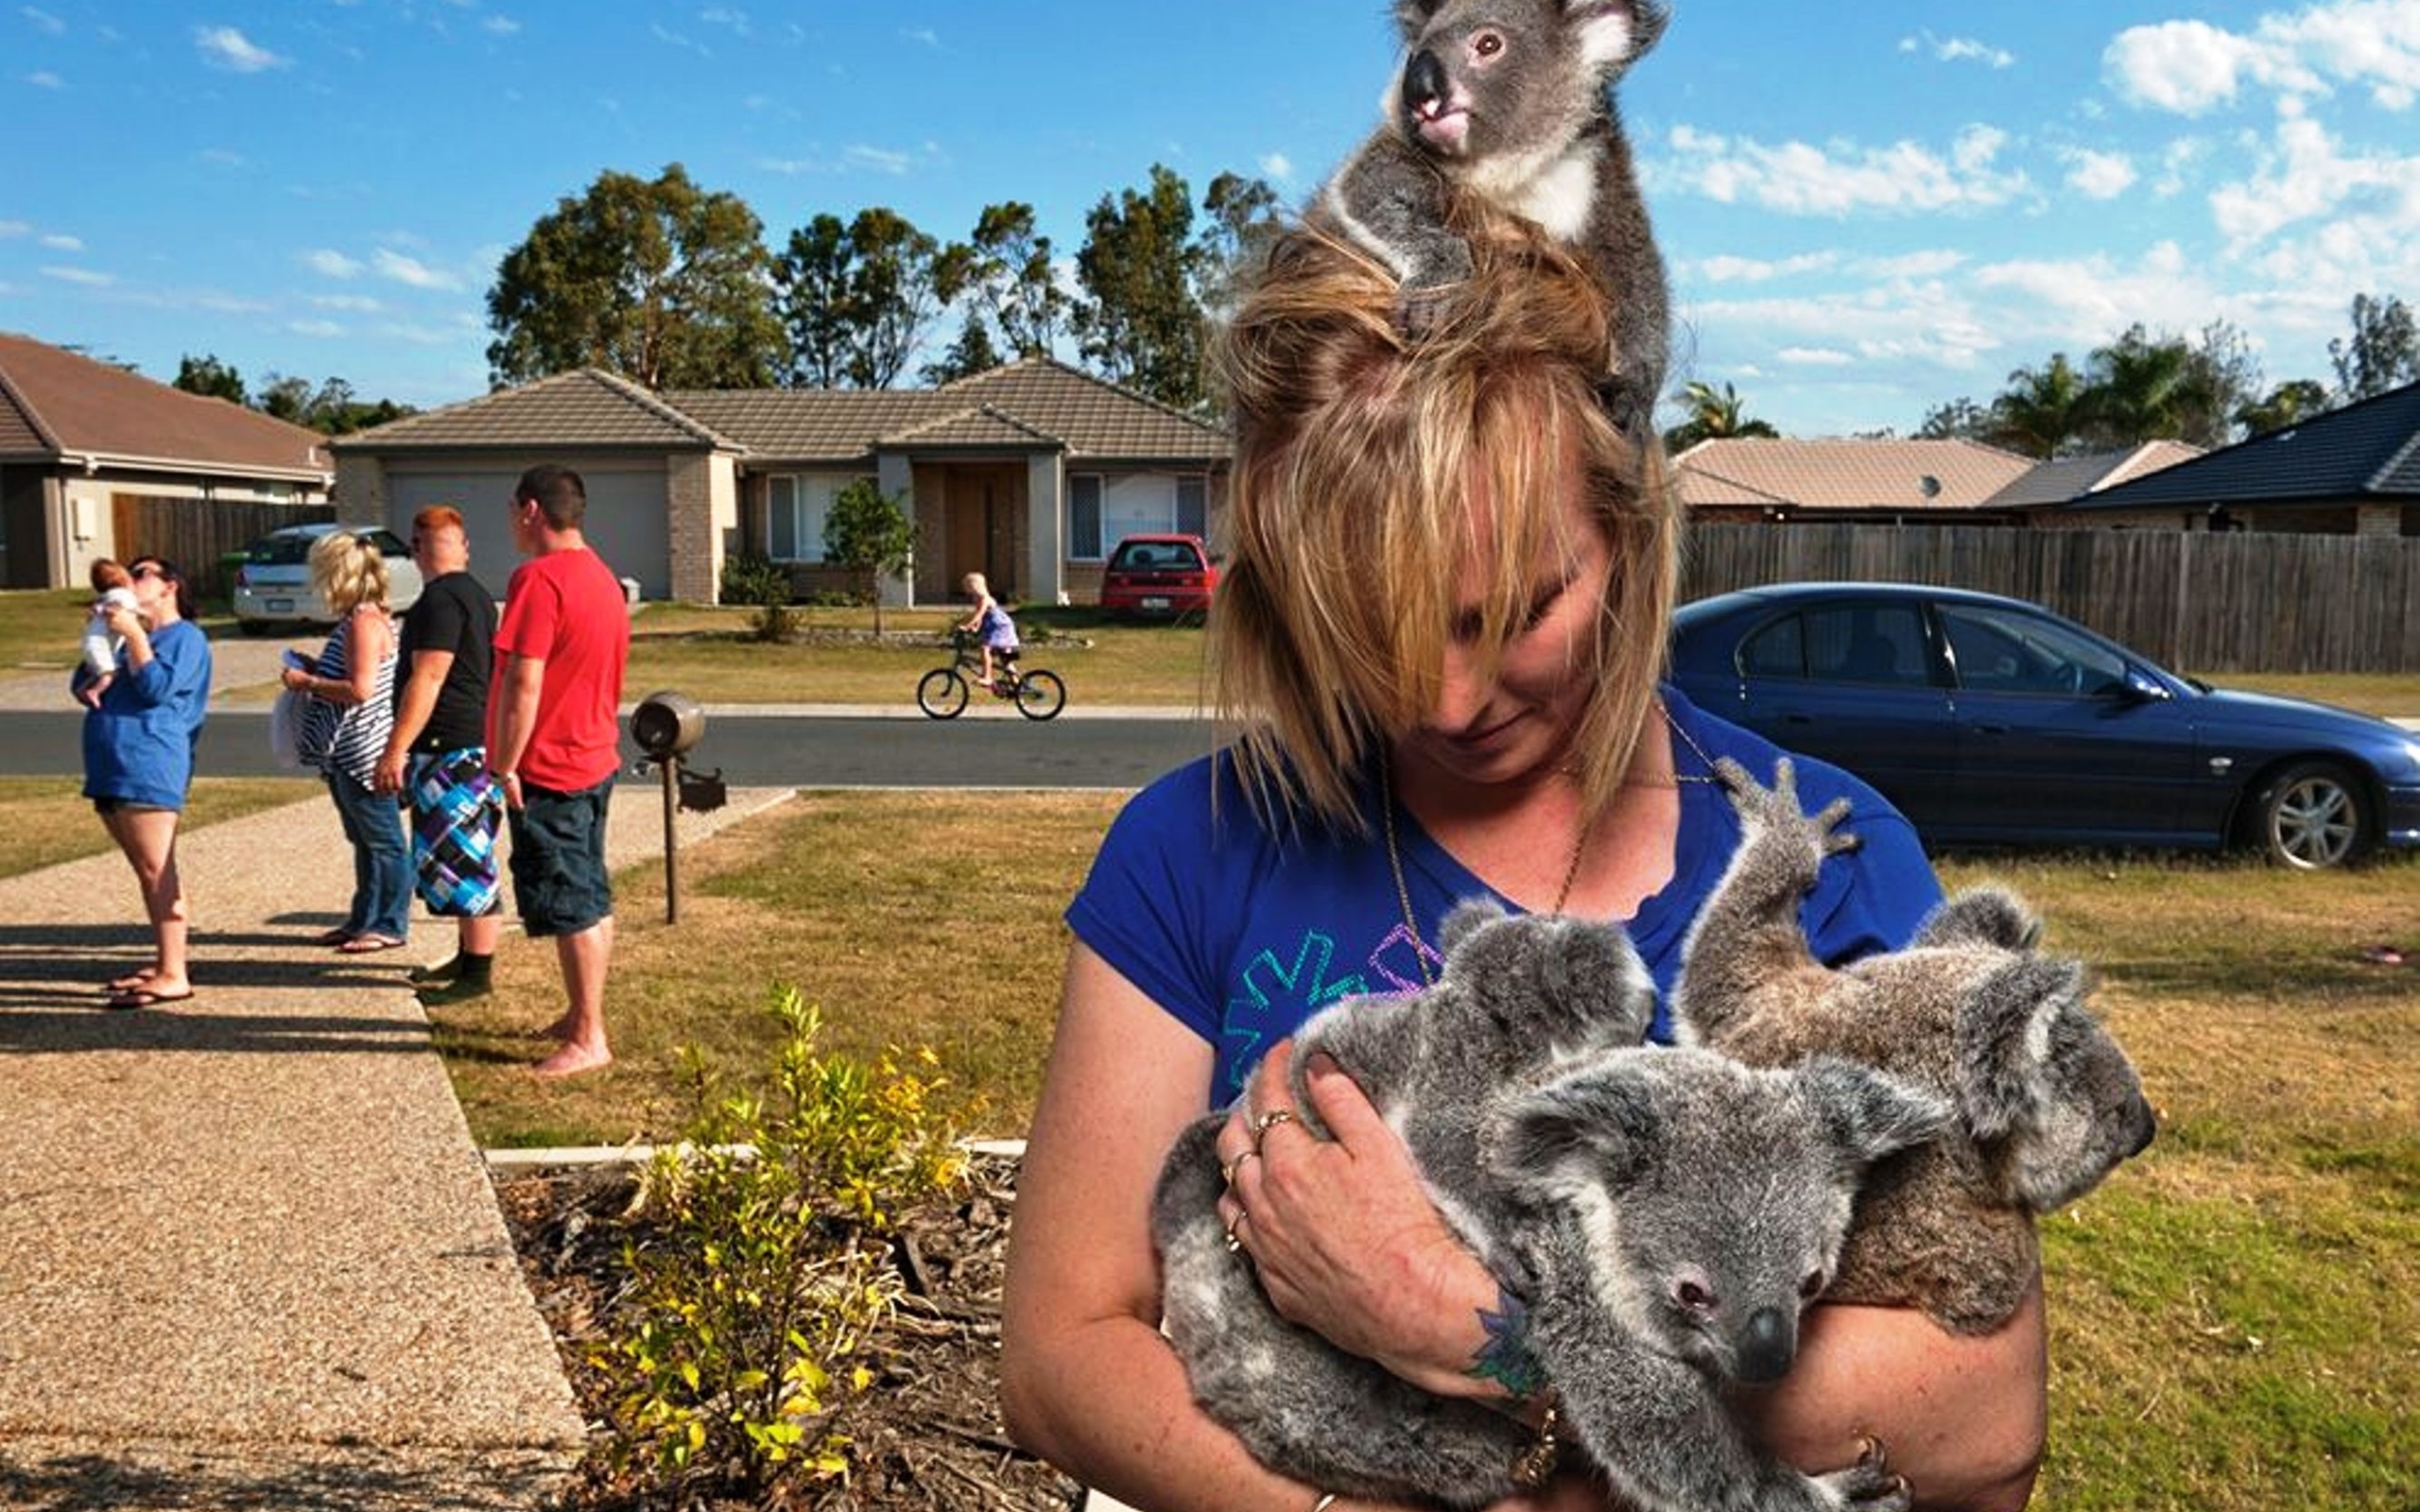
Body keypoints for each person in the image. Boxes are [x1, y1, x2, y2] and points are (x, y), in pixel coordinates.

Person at [1000, 216, 2048, 1512]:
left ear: (1629, 531)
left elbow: (1988, 1411)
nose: (1443, 703)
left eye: (1513, 613)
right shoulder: (1192, 851)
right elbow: (1059, 1359)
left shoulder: (1829, 861)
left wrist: (1482, 1337)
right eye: (1372, 631)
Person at [487, 464, 631, 1078]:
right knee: (590, 891)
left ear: (530, 511)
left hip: (553, 764)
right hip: (593, 755)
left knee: (570, 901)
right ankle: (581, 1015)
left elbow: (524, 681)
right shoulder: (601, 577)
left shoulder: (539, 580)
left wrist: (504, 763)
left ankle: (589, 1036)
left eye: (512, 513)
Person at [373, 505, 504, 1005]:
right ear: (463, 545)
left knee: (465, 862)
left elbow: (429, 677)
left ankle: (478, 975)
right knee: (454, 861)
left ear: (416, 550)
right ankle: (468, 957)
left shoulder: (439, 602)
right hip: (468, 745)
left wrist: (395, 750)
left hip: (452, 748)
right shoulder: (473, 595)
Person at [72, 555, 212, 1008]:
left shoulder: (185, 638)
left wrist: (134, 635)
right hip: (110, 759)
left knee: (158, 868)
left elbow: (156, 688)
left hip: (150, 762)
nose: (129, 581)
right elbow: (82, 683)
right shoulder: (122, 636)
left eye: (141, 574)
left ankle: (175, 972)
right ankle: (162, 962)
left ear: (169, 585)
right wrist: (105, 637)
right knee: (144, 871)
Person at [285, 529, 409, 953]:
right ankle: (364, 919)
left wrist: (307, 681)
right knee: (365, 840)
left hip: (362, 750)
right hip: (350, 749)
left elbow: (359, 689)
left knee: (384, 842)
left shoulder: (363, 622)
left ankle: (389, 924)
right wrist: (319, 668)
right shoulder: (368, 618)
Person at [80, 558, 139, 689]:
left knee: (100, 672)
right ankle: (94, 692)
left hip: (92, 641)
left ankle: (84, 688)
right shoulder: (124, 595)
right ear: (124, 580)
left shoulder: (105, 597)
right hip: (100, 643)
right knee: (109, 673)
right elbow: (125, 608)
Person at [957, 571, 1018, 687]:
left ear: (975, 586)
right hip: (996, 628)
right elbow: (980, 618)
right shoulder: (977, 600)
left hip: (1001, 628)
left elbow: (979, 615)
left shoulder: (985, 598)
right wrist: (975, 628)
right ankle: (1018, 686)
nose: (966, 590)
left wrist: (967, 626)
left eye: (968, 586)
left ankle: (987, 677)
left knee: (985, 648)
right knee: (1005, 660)